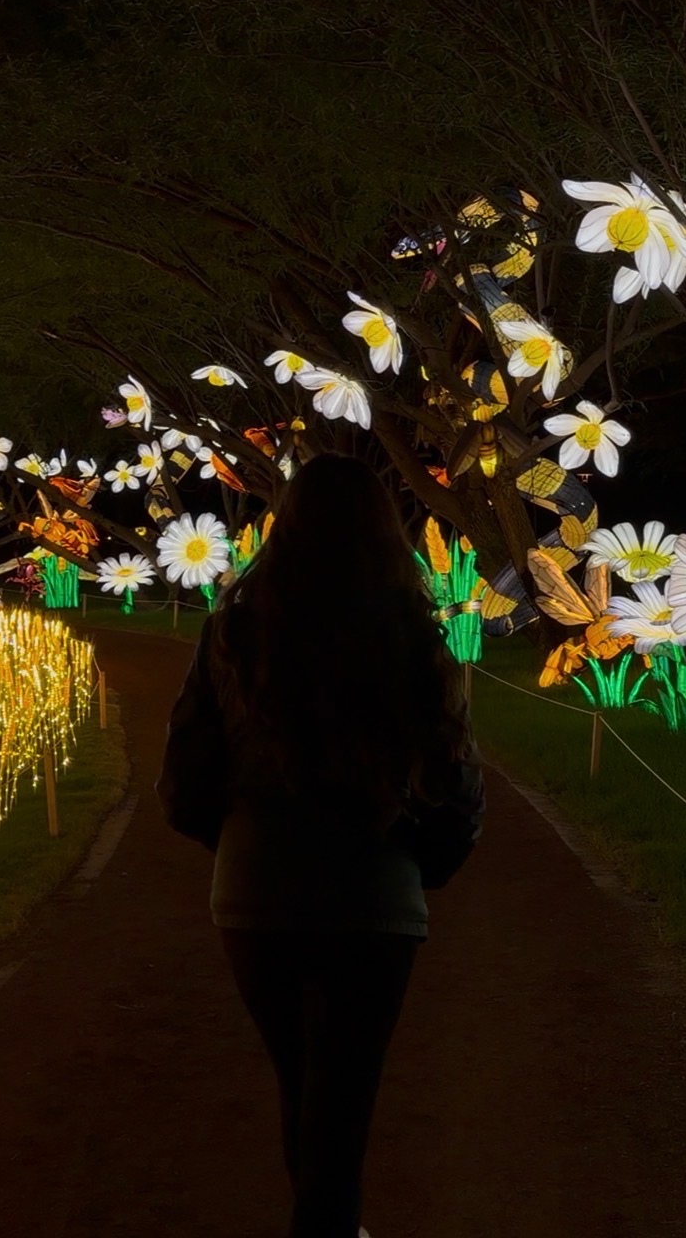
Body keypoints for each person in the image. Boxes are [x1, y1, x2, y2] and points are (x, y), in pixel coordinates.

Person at [158, 454, 484, 1238]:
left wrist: (241, 841)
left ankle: (325, 1221)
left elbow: (184, 782)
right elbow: (453, 783)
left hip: (253, 898)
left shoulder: (233, 635)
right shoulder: (412, 639)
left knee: (303, 1086)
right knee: (340, 1102)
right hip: (374, 902)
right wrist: (423, 863)